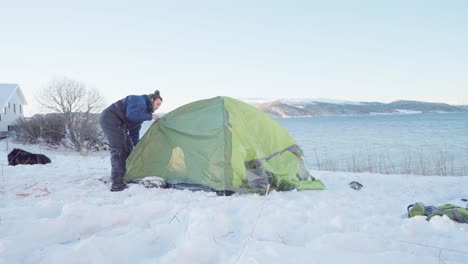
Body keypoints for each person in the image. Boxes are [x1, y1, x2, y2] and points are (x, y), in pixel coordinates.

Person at [100, 90, 163, 191]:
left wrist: (138, 146)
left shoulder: (143, 113)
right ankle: (117, 183)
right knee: (119, 149)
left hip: (121, 125)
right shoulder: (139, 100)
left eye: (159, 106)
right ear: (152, 99)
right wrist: (150, 117)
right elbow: (131, 115)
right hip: (110, 119)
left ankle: (125, 176)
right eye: (157, 104)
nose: (157, 107)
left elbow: (134, 132)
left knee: (129, 149)